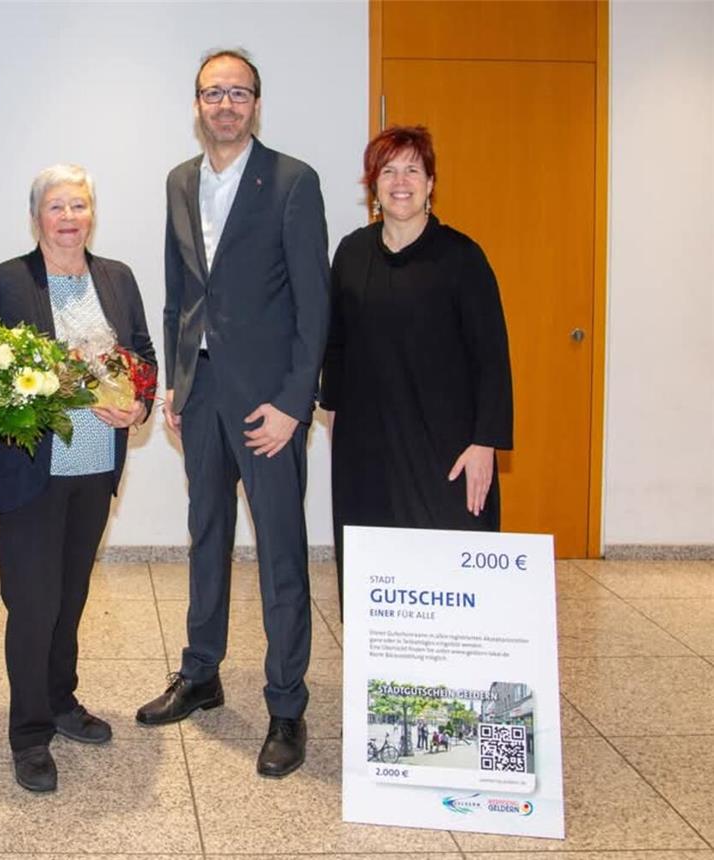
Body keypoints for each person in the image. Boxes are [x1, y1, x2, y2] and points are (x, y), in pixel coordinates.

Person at [136, 49, 330, 779]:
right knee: (205, 535)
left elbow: (315, 305)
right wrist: (176, 387)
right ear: (197, 104)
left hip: (269, 399)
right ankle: (202, 672)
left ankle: (286, 705)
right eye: (212, 93)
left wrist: (293, 403)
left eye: (238, 93)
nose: (225, 105)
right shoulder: (180, 182)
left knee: (281, 553)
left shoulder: (291, 181)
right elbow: (177, 290)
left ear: (255, 103)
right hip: (203, 390)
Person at [0, 164, 156, 792]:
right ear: (36, 217)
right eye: (57, 206)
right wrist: (56, 389)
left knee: (72, 596)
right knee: (33, 603)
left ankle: (60, 701)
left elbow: (145, 359)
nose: (69, 217)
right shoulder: (7, 282)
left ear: (91, 214)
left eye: (79, 204)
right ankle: (28, 733)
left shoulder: (118, 278)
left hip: (95, 469)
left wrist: (139, 405)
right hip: (31, 474)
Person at [320, 125, 513, 610]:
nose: (400, 181)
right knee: (375, 573)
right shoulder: (351, 253)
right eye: (388, 170)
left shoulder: (463, 258)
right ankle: (380, 680)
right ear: (374, 185)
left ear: (430, 183)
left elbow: (492, 356)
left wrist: (484, 443)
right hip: (367, 451)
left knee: (446, 572)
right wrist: (334, 412)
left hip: (448, 451)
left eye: (412, 169)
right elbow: (335, 343)